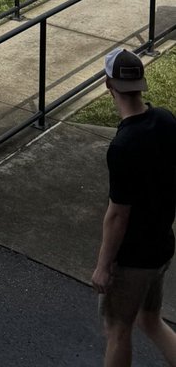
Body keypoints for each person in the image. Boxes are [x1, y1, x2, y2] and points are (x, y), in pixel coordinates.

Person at [91, 47, 176, 367]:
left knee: (117, 330)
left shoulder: (123, 145)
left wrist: (103, 265)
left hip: (132, 262)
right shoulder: (166, 119)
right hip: (162, 249)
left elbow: (117, 215)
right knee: (150, 319)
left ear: (108, 85)